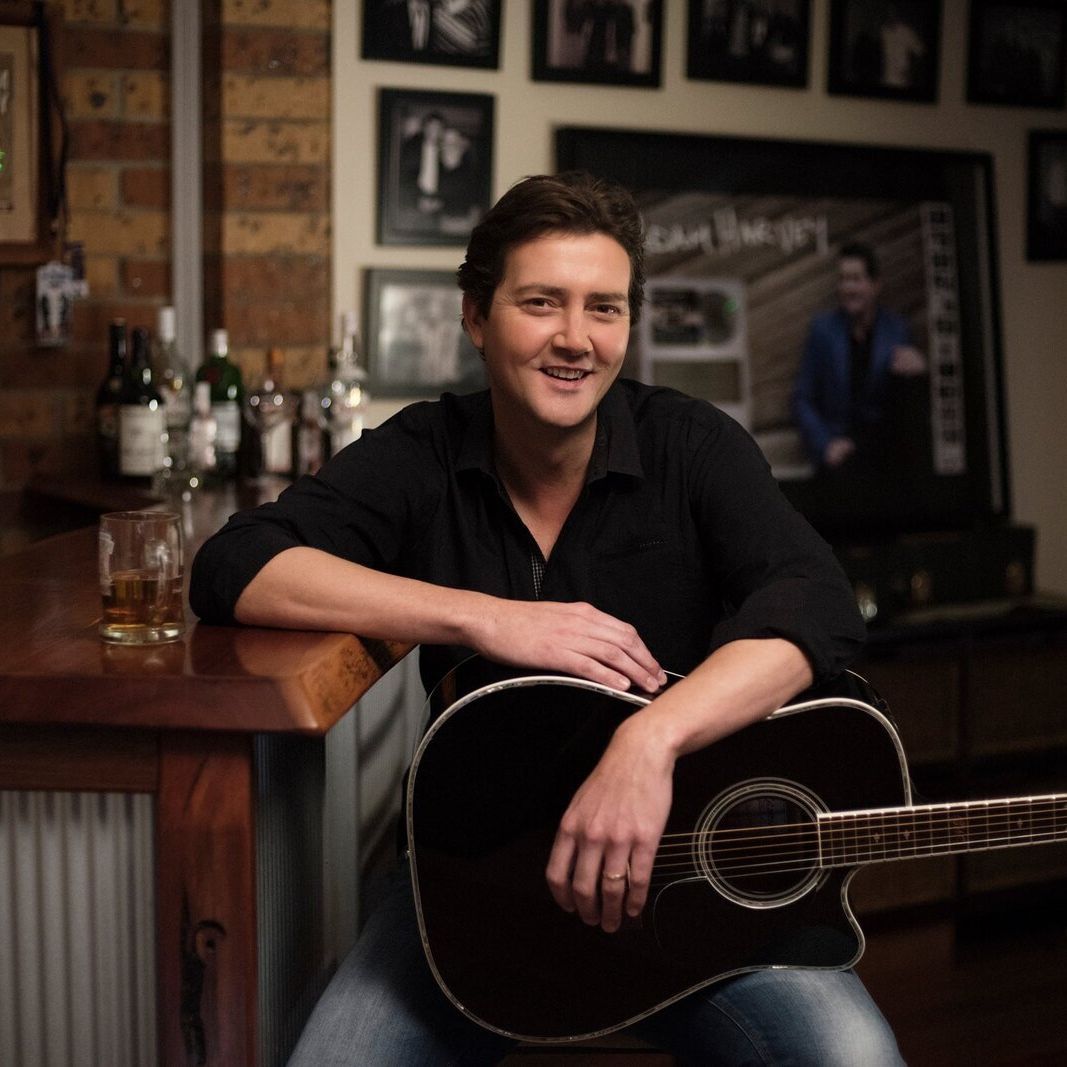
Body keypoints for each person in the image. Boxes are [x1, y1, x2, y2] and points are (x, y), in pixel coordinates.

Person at [190, 172, 902, 1065]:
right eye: (540, 302)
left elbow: (815, 600)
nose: (575, 338)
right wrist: (484, 617)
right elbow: (235, 564)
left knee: (854, 1057)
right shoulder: (422, 451)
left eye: (604, 308)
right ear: (475, 316)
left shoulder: (693, 446)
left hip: (688, 896)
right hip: (473, 888)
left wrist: (648, 741)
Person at [791, 241, 926, 475]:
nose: (849, 288)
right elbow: (802, 398)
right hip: (837, 455)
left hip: (884, 456)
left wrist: (920, 371)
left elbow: (904, 405)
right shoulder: (823, 330)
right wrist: (825, 444)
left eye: (856, 279)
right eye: (843, 279)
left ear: (875, 284)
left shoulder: (896, 330)